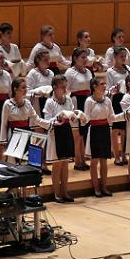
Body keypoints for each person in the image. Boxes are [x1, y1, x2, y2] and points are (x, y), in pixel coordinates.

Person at [42, 75, 78, 203]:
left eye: (65, 86)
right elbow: (46, 121)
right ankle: (57, 193)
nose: (65, 89)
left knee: (65, 164)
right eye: (62, 87)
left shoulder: (68, 100)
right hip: (55, 134)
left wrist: (76, 116)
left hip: (66, 132)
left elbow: (72, 114)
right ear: (54, 87)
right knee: (57, 165)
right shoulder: (50, 102)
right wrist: (58, 117)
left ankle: (65, 192)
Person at [85, 77, 116, 196]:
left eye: (105, 84)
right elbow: (87, 118)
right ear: (94, 86)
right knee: (94, 161)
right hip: (94, 130)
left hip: (105, 130)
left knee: (104, 161)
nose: (104, 86)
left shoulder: (107, 100)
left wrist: (124, 115)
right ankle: (96, 188)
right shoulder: (89, 101)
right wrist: (80, 118)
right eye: (101, 84)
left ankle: (104, 187)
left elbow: (112, 117)